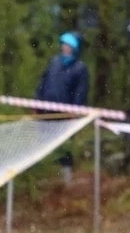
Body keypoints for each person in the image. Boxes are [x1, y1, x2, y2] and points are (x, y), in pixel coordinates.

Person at [34, 32, 89, 183]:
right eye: (64, 44)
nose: (65, 47)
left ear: (75, 48)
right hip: (45, 112)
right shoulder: (54, 62)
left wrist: (75, 111)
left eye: (69, 45)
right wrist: (36, 102)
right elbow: (42, 83)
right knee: (44, 144)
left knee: (64, 147)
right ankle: (44, 177)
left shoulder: (80, 68)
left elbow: (81, 93)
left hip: (65, 116)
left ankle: (66, 179)